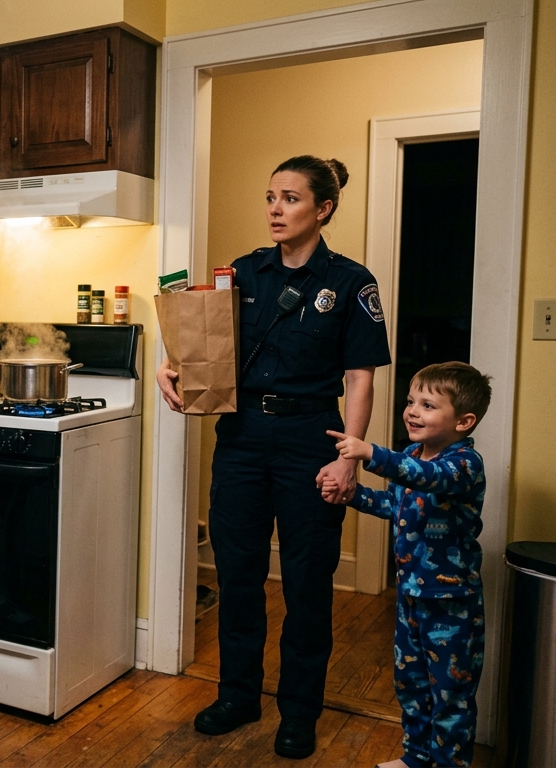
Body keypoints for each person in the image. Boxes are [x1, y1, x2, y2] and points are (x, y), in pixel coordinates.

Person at [157, 155, 393, 759]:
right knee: (238, 575)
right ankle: (238, 695)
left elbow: (360, 378)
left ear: (323, 209)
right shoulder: (242, 271)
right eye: (270, 197)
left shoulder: (350, 281)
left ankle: (299, 711)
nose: (275, 209)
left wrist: (349, 458)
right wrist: (173, 362)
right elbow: (204, 344)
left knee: (308, 582)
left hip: (310, 440)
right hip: (239, 440)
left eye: (289, 198)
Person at [321, 362, 491, 768]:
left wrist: (370, 453)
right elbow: (395, 503)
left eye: (428, 405)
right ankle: (416, 758)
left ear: (464, 421)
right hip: (410, 597)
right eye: (411, 401)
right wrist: (353, 494)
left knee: (450, 694)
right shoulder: (413, 454)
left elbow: (427, 478)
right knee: (411, 685)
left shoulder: (464, 464)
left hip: (450, 602)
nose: (413, 411)